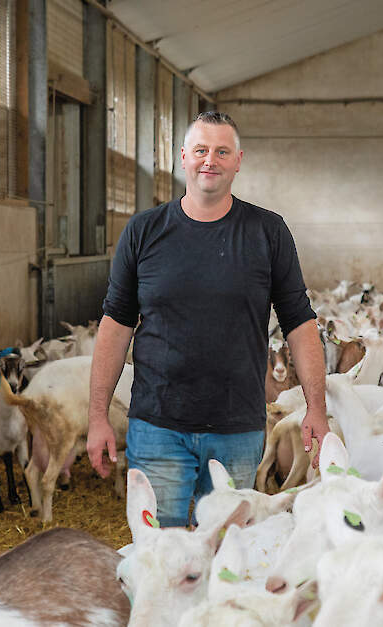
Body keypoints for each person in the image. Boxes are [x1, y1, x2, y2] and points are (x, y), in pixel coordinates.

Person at [86, 111, 328, 527]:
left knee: (227, 549)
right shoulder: (144, 231)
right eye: (201, 150)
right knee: (162, 551)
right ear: (183, 158)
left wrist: (316, 408)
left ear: (238, 161)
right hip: (157, 425)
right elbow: (115, 326)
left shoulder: (267, 232)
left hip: (236, 428)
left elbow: (300, 325)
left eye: (221, 152)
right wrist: (96, 417)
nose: (209, 161)